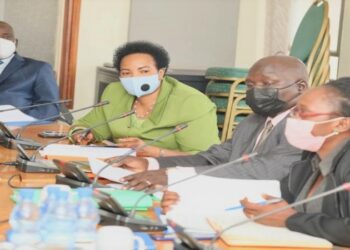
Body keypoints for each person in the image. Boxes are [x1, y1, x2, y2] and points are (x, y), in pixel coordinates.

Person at [108, 55, 309, 190]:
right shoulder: (253, 121)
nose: (255, 91)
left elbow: (259, 170)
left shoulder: (306, 127)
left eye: (267, 84)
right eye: (250, 85)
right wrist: (149, 163)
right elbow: (214, 158)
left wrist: (171, 176)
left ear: (300, 87)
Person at [239, 78, 350, 246]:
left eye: (303, 112)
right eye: (295, 110)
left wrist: (291, 219)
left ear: (341, 124)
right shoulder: (311, 156)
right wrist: (275, 208)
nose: (294, 118)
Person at [70, 41, 220, 157]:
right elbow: (88, 125)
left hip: (170, 173)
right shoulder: (114, 92)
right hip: (121, 168)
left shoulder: (191, 102)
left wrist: (153, 151)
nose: (135, 77)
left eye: (144, 71)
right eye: (126, 73)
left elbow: (206, 158)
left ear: (161, 73)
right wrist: (82, 133)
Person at [0, 21, 60, 119]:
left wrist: (16, 118)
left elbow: (50, 109)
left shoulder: (39, 68)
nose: (1, 41)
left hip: (14, 129)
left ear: (15, 42)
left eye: (6, 37)